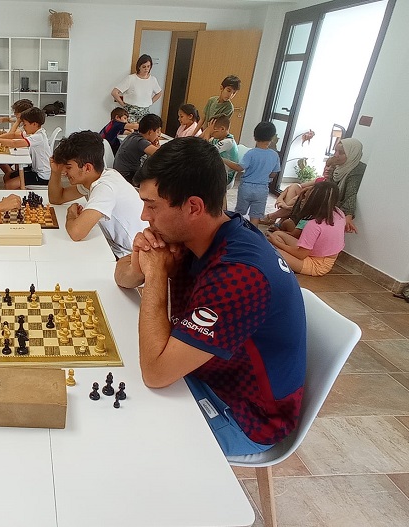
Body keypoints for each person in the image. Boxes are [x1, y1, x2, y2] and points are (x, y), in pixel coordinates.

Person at [113, 137, 306, 456]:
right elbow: (122, 278)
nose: (145, 217)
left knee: (120, 438)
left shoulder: (239, 274)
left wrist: (158, 273)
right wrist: (141, 261)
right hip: (203, 372)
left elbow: (157, 373)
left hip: (245, 416)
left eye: (152, 205)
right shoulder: (207, 231)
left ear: (193, 207)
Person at [48, 131, 149, 258]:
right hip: (118, 248)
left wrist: (71, 215)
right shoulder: (94, 179)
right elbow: (57, 198)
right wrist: (55, 172)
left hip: (132, 256)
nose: (64, 172)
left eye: (68, 168)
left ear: (87, 168)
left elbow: (76, 233)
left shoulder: (105, 187)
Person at [267, 180, 346, 276]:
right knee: (277, 235)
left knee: (273, 253)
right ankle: (289, 264)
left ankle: (289, 267)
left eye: (306, 198)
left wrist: (275, 243)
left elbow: (301, 254)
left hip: (316, 265)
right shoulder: (339, 213)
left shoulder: (314, 225)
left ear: (313, 202)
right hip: (317, 255)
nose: (303, 200)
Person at [0, 107, 51, 189]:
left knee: (9, 184)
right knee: (8, 176)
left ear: (34, 124)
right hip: (34, 169)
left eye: (25, 124)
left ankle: (20, 196)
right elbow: (13, 135)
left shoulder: (39, 136)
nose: (24, 127)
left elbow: (15, 143)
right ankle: (18, 192)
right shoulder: (33, 132)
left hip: (43, 176)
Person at [230, 122, 280, 223]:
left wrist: (222, 159)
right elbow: (274, 173)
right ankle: (253, 234)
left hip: (246, 188)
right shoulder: (274, 155)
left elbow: (239, 168)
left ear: (255, 136)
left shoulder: (251, 153)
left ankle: (236, 232)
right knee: (255, 216)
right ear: (272, 137)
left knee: (239, 213)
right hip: (262, 190)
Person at [323, 137, 365, 234]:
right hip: (331, 203)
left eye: (341, 152)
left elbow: (351, 194)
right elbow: (329, 187)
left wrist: (348, 216)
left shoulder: (356, 171)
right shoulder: (338, 166)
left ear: (352, 154)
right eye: (335, 151)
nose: (336, 155)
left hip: (337, 207)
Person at [111, 54, 163, 124]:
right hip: (130, 111)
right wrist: (123, 104)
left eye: (148, 66)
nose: (146, 69)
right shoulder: (131, 78)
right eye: (144, 67)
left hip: (145, 112)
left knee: (143, 133)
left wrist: (150, 102)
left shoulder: (153, 80)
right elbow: (114, 92)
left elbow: (159, 93)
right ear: (139, 67)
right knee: (130, 132)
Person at [113, 113, 162, 183]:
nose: (159, 134)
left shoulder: (133, 135)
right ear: (150, 132)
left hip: (120, 173)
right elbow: (161, 154)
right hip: (126, 177)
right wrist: (157, 146)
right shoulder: (140, 141)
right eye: (158, 131)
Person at [200, 115, 240, 189]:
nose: (212, 132)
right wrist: (207, 130)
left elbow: (206, 152)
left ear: (222, 129)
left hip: (226, 178)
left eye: (214, 129)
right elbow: (200, 143)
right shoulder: (217, 139)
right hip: (219, 173)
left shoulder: (228, 142)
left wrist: (208, 132)